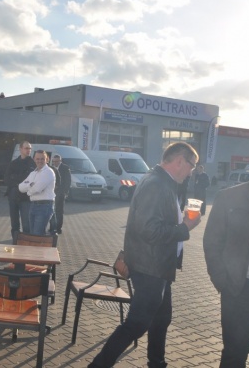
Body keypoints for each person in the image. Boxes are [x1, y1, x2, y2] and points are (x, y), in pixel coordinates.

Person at [88, 142, 202, 368]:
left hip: (158, 267)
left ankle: (157, 363)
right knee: (137, 324)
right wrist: (186, 227)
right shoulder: (157, 184)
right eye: (192, 165)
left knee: (161, 319)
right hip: (150, 267)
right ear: (180, 161)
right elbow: (150, 230)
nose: (192, 172)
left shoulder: (162, 181)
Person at [204, 138, 249, 367]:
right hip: (240, 291)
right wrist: (223, 282)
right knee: (234, 355)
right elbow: (212, 242)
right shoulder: (230, 197)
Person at [19, 150, 55, 236]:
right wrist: (31, 185)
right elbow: (20, 187)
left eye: (42, 159)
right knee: (33, 234)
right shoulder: (33, 173)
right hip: (33, 205)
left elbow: (38, 188)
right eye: (37, 159)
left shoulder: (48, 172)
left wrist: (28, 191)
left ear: (47, 159)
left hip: (44, 206)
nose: (40, 161)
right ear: (34, 159)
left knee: (37, 234)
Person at [4, 141, 35, 240]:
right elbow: (6, 179)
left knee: (26, 223)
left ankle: (26, 240)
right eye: (26, 148)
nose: (28, 150)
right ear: (20, 149)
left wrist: (15, 177)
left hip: (26, 198)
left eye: (30, 148)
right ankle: (15, 239)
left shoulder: (33, 163)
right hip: (13, 197)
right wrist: (19, 182)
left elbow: (30, 179)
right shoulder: (13, 163)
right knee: (14, 222)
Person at [51, 154, 71, 234]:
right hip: (52, 193)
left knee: (59, 211)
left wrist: (65, 192)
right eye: (54, 161)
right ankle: (52, 227)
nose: (55, 163)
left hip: (61, 193)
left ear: (60, 161)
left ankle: (58, 228)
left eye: (57, 161)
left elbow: (68, 181)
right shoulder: (51, 168)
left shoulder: (65, 168)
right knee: (52, 210)